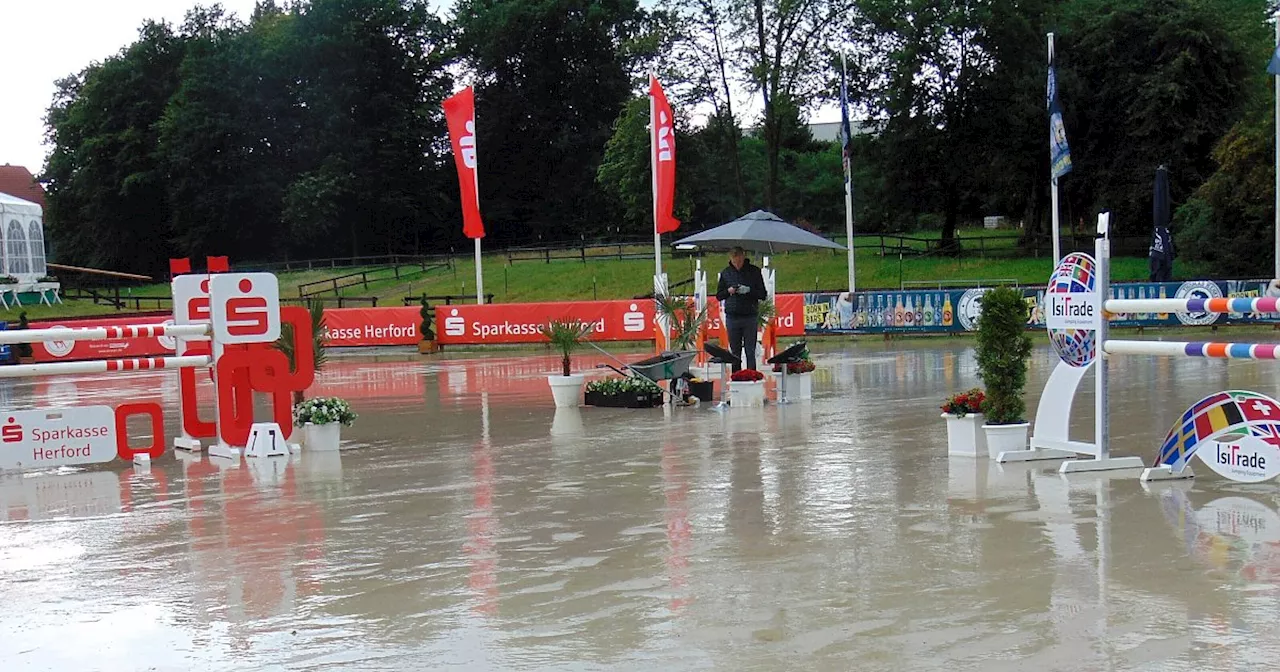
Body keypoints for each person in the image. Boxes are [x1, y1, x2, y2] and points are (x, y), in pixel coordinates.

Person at [715, 246, 767, 372]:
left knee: (750, 350)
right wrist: (729, 291)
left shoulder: (754, 272)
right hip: (732, 317)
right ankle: (736, 376)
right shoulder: (726, 273)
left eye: (739, 261)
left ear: (743, 257)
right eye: (734, 261)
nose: (737, 264)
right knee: (735, 351)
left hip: (749, 316)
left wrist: (748, 290)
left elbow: (762, 294)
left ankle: (752, 375)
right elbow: (719, 295)